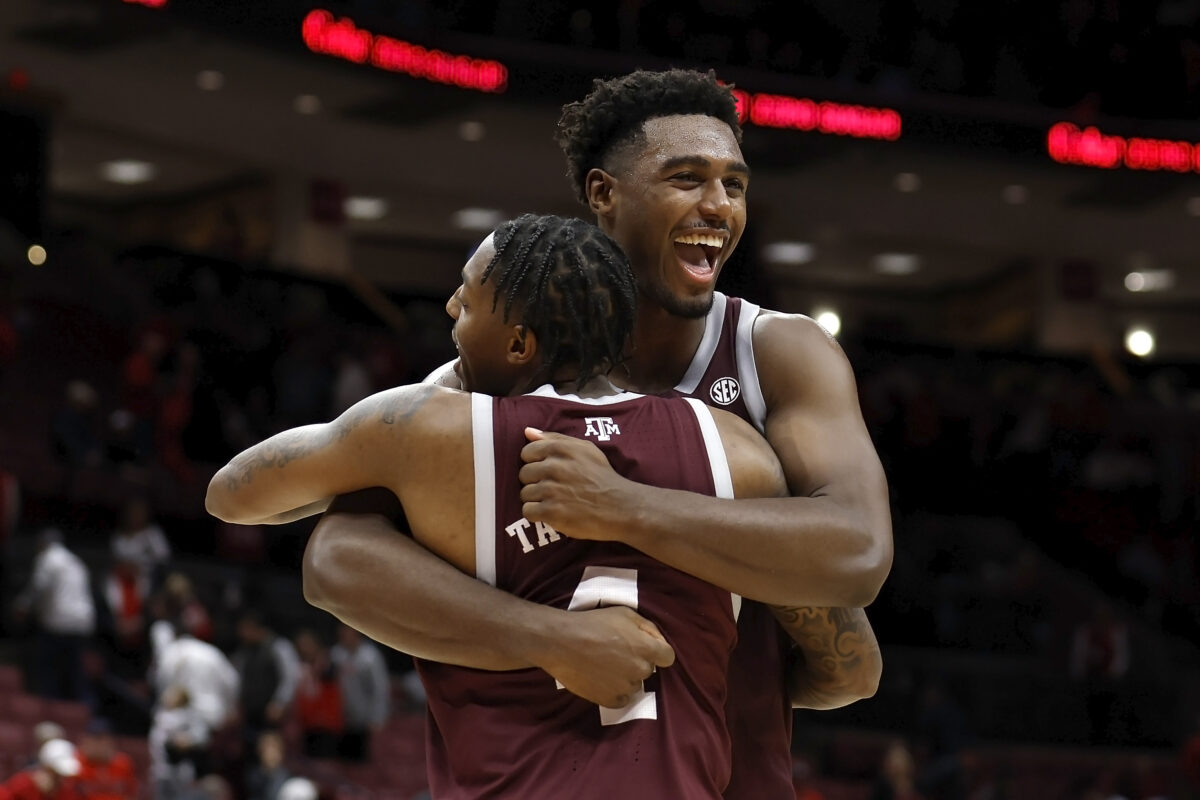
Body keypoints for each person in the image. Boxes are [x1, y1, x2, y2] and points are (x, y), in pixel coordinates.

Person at [301, 68, 891, 800]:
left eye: (734, 185)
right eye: (687, 178)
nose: (717, 206)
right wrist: (544, 638)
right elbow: (333, 559)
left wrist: (624, 508)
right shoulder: (497, 362)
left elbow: (857, 554)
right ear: (604, 194)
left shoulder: (777, 352)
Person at [206, 213, 790, 797]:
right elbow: (846, 665)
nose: (452, 307)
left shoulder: (435, 431)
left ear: (517, 343)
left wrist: (439, 387)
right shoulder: (737, 450)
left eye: (469, 296)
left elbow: (234, 494)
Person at [13, 527, 96, 703]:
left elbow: (39, 587)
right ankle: (80, 711)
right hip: (81, 623)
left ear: (43, 544)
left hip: (57, 623)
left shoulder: (47, 558)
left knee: (47, 669)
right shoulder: (76, 561)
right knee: (74, 671)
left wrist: (22, 606)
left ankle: (47, 707)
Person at [329, 623, 389, 763]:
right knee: (340, 761)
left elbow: (380, 689)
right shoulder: (336, 654)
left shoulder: (370, 657)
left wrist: (377, 717)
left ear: (356, 631)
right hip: (341, 718)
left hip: (364, 719)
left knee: (360, 761)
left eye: (347, 630)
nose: (344, 634)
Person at [74, 718, 139, 800]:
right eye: (93, 741)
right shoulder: (75, 764)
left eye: (102, 741)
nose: (98, 747)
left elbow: (131, 794)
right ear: (84, 742)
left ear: (111, 742)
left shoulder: (123, 764)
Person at [0, 738, 81, 800]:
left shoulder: (68, 792)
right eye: (56, 774)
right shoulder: (23, 784)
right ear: (46, 768)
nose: (61, 779)